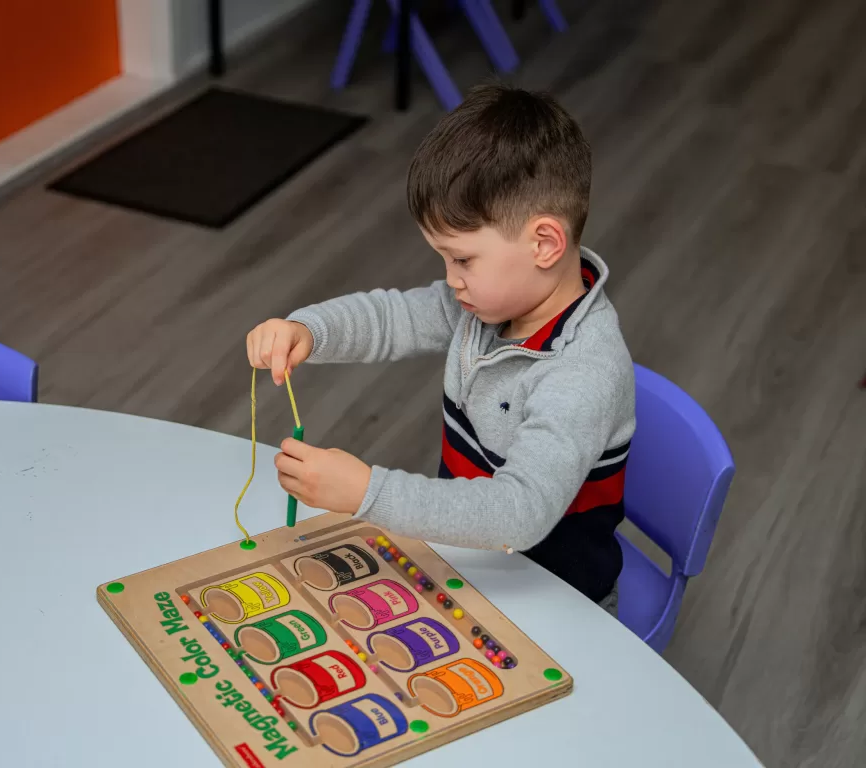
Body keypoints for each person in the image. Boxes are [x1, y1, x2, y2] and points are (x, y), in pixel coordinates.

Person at [246, 83, 635, 614]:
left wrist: (367, 492)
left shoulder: (584, 372)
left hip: (561, 605)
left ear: (544, 244)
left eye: (463, 260)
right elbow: (391, 317)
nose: (450, 281)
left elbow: (518, 513)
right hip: (471, 567)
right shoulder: (485, 304)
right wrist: (308, 331)